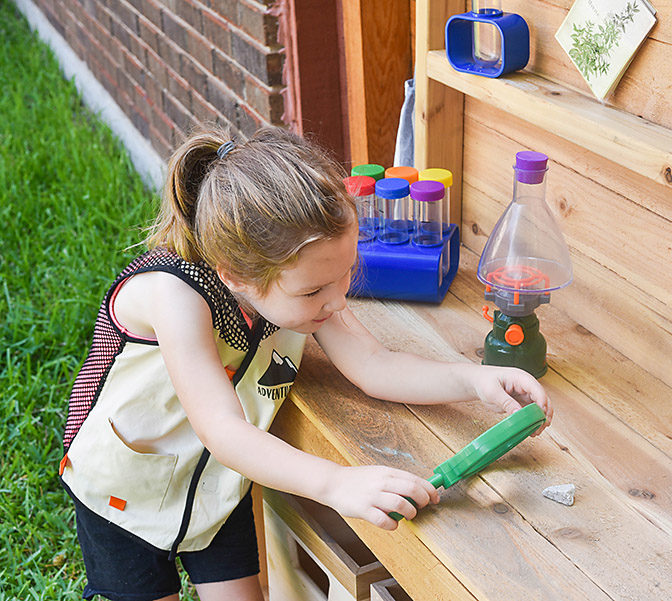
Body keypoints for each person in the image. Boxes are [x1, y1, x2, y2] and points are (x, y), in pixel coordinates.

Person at [60, 125, 553, 601]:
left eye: (346, 275)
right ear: (236, 276)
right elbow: (222, 430)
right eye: (316, 289)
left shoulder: (296, 288)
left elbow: (374, 364)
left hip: (219, 484)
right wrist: (335, 483)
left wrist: (478, 380)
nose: (339, 301)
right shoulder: (173, 296)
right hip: (126, 493)